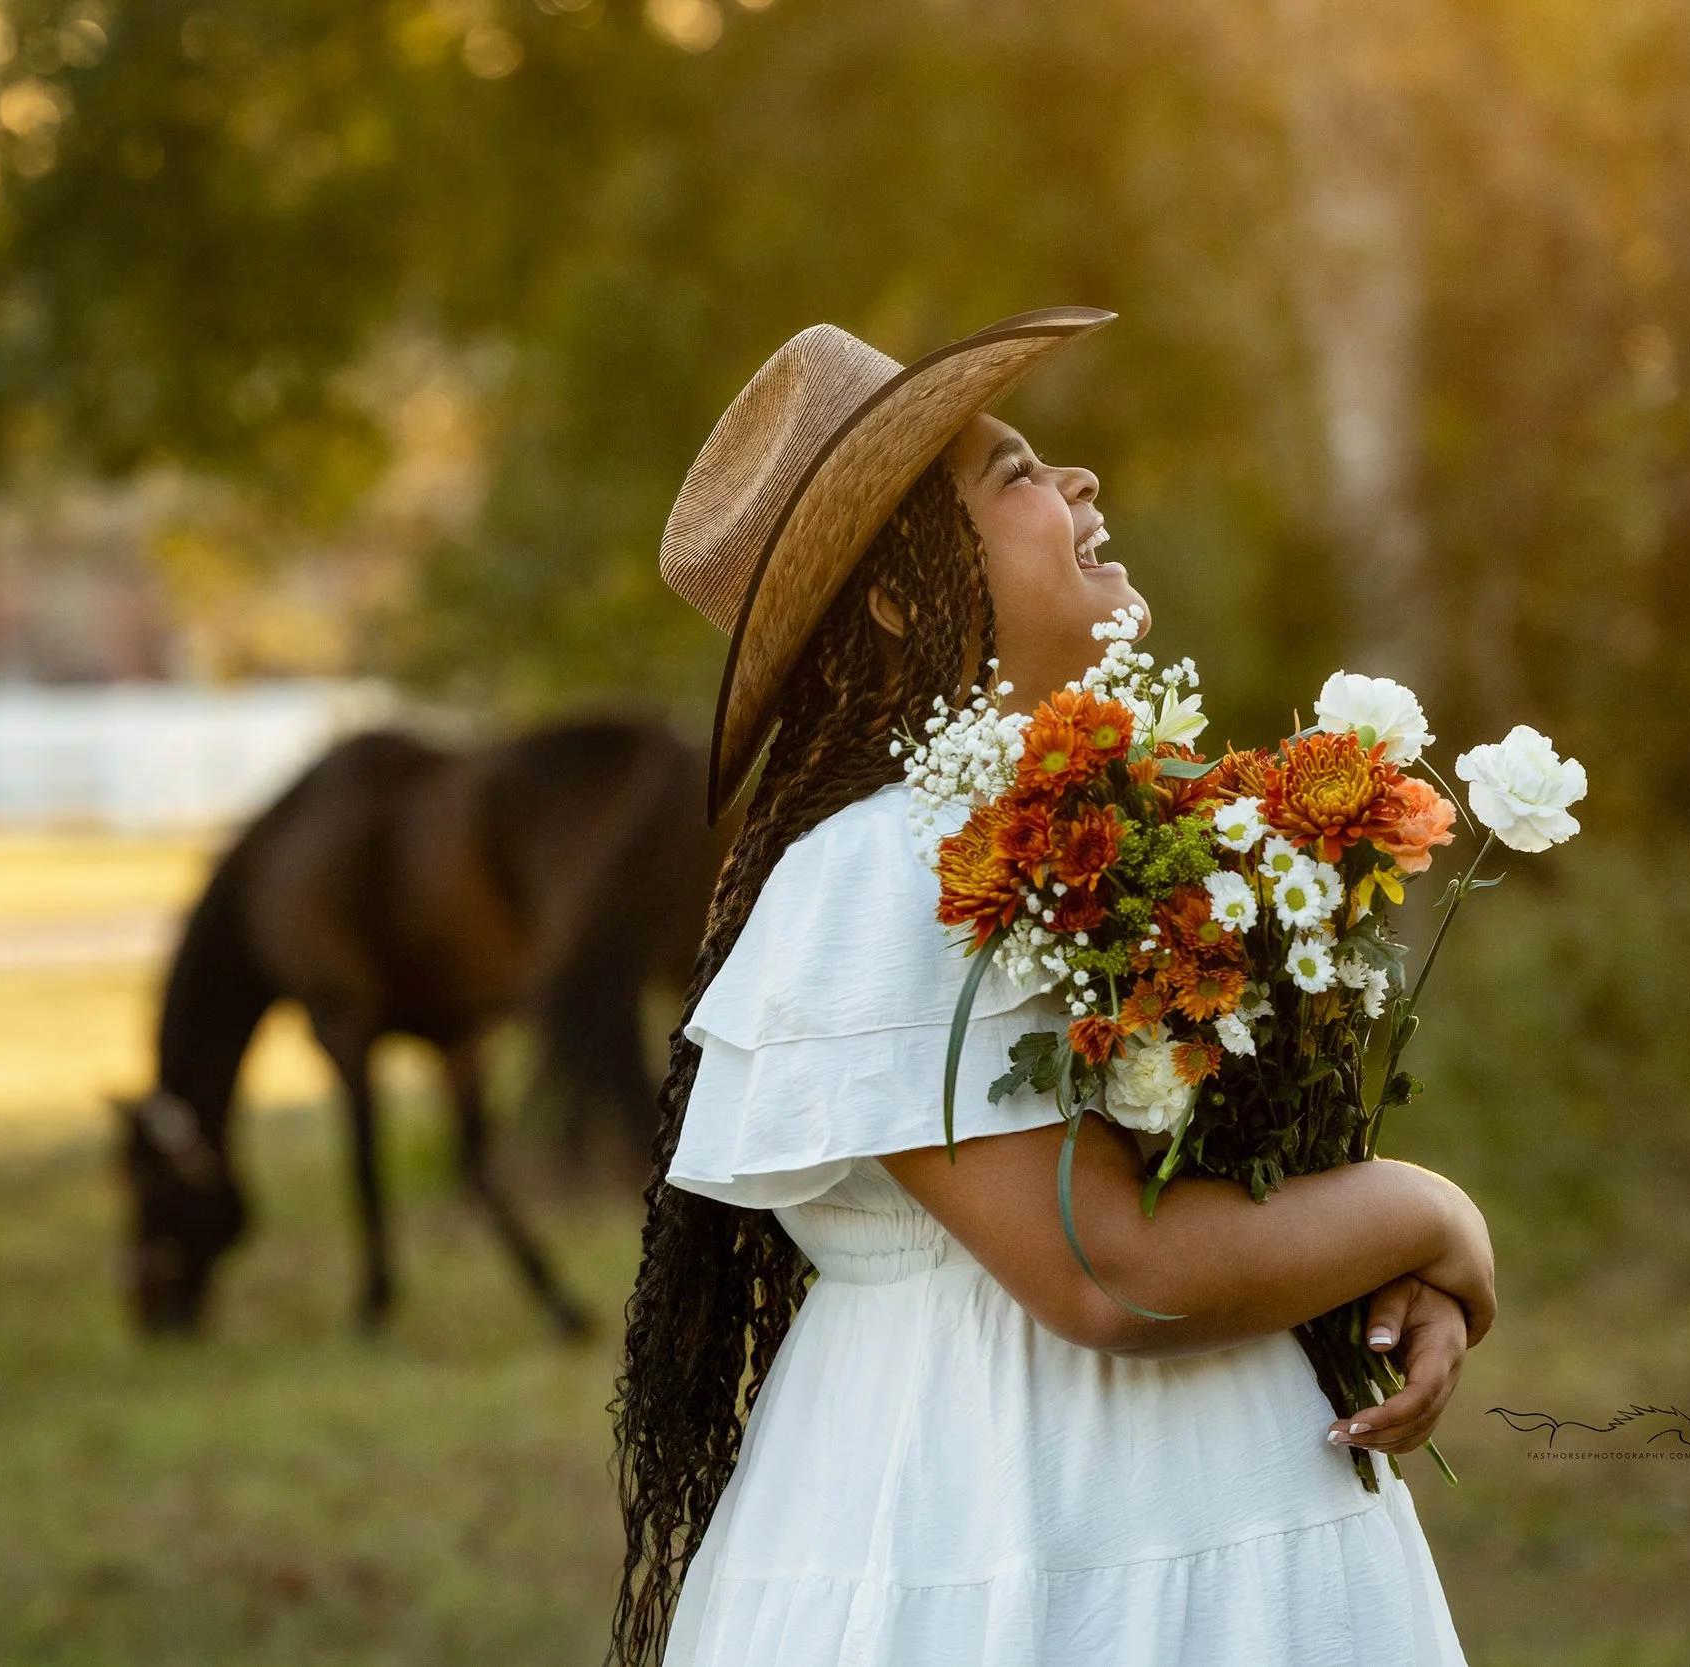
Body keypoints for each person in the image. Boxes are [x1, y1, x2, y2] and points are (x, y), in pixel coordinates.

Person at [612, 308, 1486, 1667]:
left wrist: (1358, 1270)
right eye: (1014, 472)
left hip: (1224, 1492)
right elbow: (1107, 1275)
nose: (1077, 479)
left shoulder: (1115, 825)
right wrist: (1428, 1215)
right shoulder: (881, 871)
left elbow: (1204, 1203)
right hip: (1010, 1517)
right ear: (906, 593)